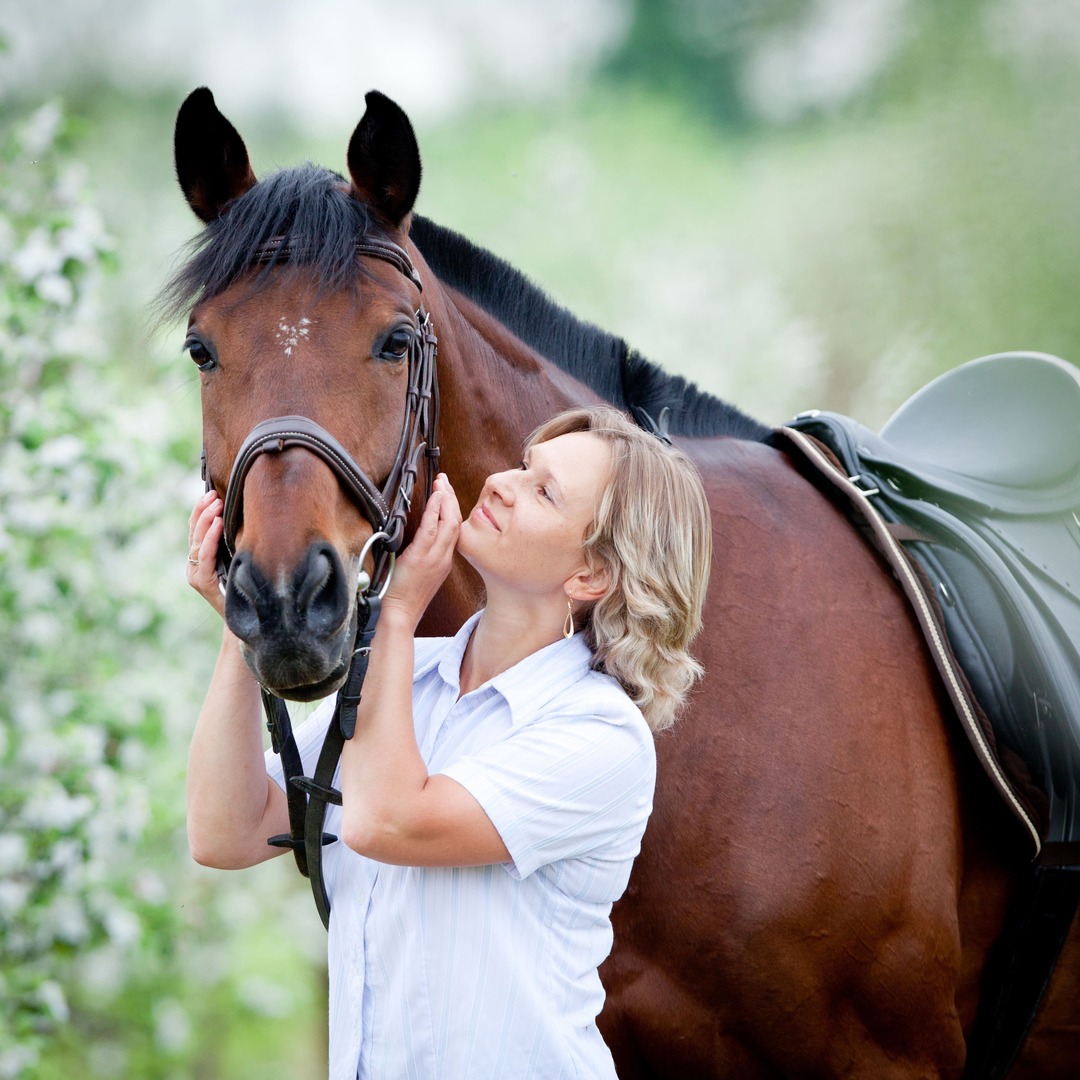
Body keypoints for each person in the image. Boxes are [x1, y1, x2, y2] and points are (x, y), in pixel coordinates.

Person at [185, 405, 712, 1080]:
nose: (500, 483)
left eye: (542, 491)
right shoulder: (407, 679)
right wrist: (245, 622)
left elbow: (387, 821)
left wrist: (399, 610)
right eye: (523, 466)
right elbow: (225, 831)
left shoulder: (600, 736)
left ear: (591, 577)